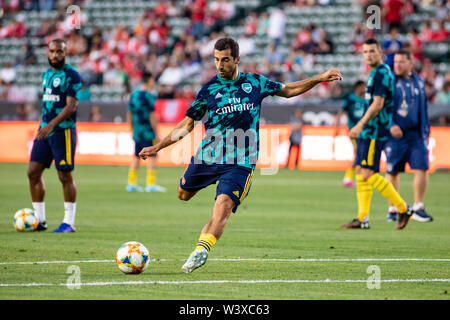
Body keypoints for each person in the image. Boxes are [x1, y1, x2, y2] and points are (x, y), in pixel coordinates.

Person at [139, 37, 342, 273]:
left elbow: (287, 90)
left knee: (223, 204)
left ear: (237, 59)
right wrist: (158, 147)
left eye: (225, 60)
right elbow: (187, 124)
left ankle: (201, 250)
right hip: (209, 156)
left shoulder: (255, 83)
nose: (220, 65)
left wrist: (319, 78)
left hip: (241, 161)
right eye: (216, 60)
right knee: (183, 194)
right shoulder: (208, 90)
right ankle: (203, 241)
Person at [341, 38, 412, 230]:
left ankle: (403, 208)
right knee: (359, 171)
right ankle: (362, 218)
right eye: (365, 52)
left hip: (374, 130)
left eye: (372, 51)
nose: (369, 55)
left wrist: (360, 125)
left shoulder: (381, 73)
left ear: (380, 52)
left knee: (367, 173)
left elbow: (378, 104)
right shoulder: (374, 73)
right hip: (368, 130)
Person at [27, 39, 82, 233]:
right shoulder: (47, 74)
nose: (55, 55)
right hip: (44, 131)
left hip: (63, 131)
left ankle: (68, 222)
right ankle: (39, 220)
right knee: (33, 172)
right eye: (52, 51)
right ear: (47, 52)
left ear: (66, 53)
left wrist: (50, 125)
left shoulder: (72, 75)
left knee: (64, 175)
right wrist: (45, 126)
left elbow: (71, 106)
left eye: (60, 51)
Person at [385, 50, 433, 222]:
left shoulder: (418, 82)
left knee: (422, 167)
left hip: (415, 134)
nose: (397, 65)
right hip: (395, 135)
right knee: (393, 171)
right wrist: (390, 125)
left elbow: (423, 108)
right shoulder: (389, 81)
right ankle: (393, 208)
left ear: (410, 63)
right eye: (395, 62)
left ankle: (418, 206)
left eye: (401, 62)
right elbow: (381, 106)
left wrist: (425, 131)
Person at [126, 72, 166, 193]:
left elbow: (129, 113)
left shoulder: (134, 95)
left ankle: (131, 183)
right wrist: (157, 132)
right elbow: (152, 115)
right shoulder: (149, 96)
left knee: (136, 157)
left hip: (137, 130)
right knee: (153, 156)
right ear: (148, 81)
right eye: (153, 80)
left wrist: (132, 129)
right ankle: (150, 184)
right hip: (147, 131)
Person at [336, 80, 366, 187]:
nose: (365, 89)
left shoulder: (365, 99)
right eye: (363, 87)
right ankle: (349, 177)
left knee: (361, 154)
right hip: (354, 132)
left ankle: (354, 177)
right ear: (358, 87)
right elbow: (341, 112)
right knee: (360, 154)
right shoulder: (350, 99)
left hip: (364, 132)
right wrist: (337, 127)